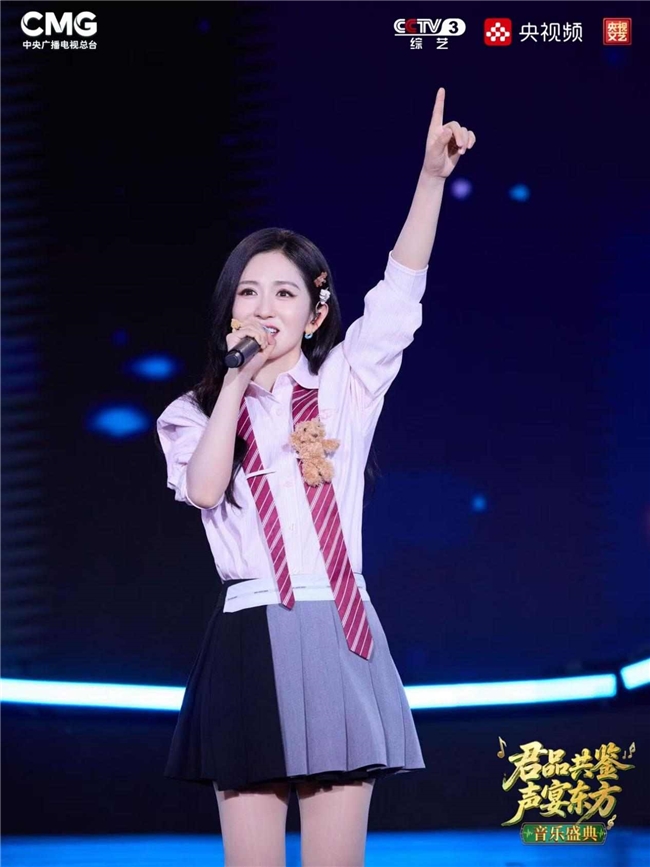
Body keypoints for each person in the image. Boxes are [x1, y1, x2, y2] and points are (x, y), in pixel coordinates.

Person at [156, 87, 475, 867]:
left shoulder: (345, 385)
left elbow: (400, 291)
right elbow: (205, 489)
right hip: (248, 631)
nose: (264, 306)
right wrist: (235, 382)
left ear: (315, 312)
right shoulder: (192, 413)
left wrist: (430, 180)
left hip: (338, 625)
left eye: (284, 292)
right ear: (229, 307)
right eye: (249, 291)